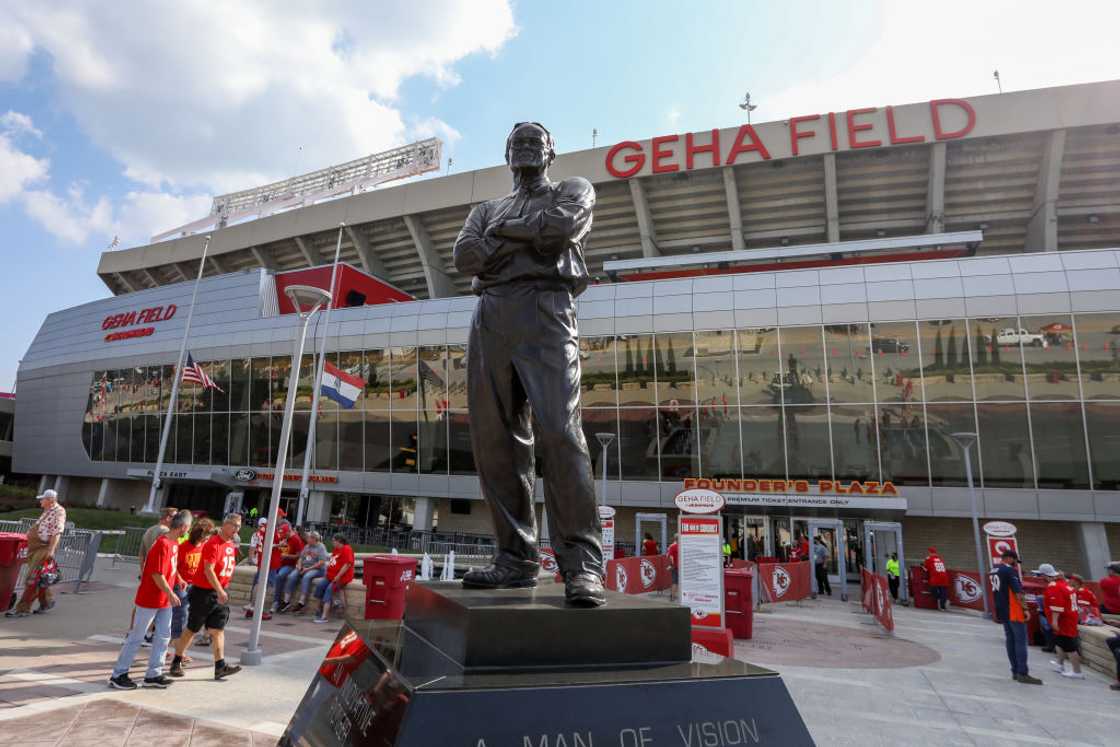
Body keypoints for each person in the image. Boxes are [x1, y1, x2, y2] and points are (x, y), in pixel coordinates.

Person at [452, 122, 605, 608]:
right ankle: (515, 559)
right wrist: (527, 239)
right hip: (492, 315)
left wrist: (504, 238)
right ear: (506, 153)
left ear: (551, 151)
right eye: (518, 142)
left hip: (547, 310)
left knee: (561, 432)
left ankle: (581, 565)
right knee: (495, 442)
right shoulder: (486, 209)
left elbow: (560, 229)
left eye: (535, 141)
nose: (526, 147)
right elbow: (464, 257)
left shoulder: (572, 190)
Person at [108, 509, 191, 690]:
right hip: (150, 598)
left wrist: (179, 579)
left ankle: (154, 674)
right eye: (188, 528)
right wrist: (170, 592)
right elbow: (156, 573)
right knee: (137, 636)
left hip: (164, 600)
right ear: (183, 527)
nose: (188, 531)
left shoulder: (174, 544)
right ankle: (118, 674)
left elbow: (171, 567)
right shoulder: (162, 544)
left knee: (163, 636)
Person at [169, 513, 243, 680]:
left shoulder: (230, 545)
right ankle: (177, 660)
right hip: (204, 592)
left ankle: (220, 666)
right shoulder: (213, 543)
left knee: (217, 630)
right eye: (233, 525)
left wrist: (223, 589)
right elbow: (208, 569)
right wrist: (219, 590)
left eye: (239, 526)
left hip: (219, 593)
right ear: (225, 525)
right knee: (192, 629)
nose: (236, 529)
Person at [7, 489, 66, 617]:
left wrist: (50, 550)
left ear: (50, 500)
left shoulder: (59, 512)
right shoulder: (48, 511)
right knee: (41, 578)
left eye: (43, 499)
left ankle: (23, 609)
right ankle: (47, 601)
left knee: (32, 578)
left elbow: (57, 532)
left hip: (44, 549)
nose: (40, 501)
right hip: (36, 549)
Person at [990, 549, 1042, 685]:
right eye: (1014, 561)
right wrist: (1025, 609)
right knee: (1020, 641)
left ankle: (1014, 671)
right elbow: (1018, 592)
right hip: (1013, 609)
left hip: (1002, 609)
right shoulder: (1009, 571)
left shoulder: (994, 570)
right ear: (1009, 558)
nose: (1015, 565)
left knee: (1010, 640)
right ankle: (1022, 673)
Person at [1037, 564, 1085, 679]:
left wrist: (1054, 621)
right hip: (1069, 618)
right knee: (1060, 643)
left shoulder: (1054, 587)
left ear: (1044, 575)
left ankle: (1077, 671)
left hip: (1064, 620)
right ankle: (1060, 665)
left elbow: (1057, 606)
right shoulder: (1064, 584)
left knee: (1069, 646)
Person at [171, 518, 213, 643]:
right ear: (199, 534)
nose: (207, 538)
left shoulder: (205, 547)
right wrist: (179, 579)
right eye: (206, 535)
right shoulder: (183, 547)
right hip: (180, 585)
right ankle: (176, 643)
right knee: (181, 615)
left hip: (195, 585)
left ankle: (179, 646)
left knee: (190, 617)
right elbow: (173, 566)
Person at [280, 530, 329, 613]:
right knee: (291, 576)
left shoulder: (321, 547)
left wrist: (307, 569)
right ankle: (286, 601)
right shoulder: (307, 546)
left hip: (317, 569)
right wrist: (299, 566)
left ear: (314, 539)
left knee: (306, 577)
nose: (307, 539)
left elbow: (321, 563)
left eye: (309, 538)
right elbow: (301, 558)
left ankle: (301, 602)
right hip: (304, 567)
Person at [313, 534, 354, 624]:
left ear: (339, 541)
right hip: (330, 576)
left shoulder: (347, 549)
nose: (332, 542)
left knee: (328, 590)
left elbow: (348, 564)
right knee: (319, 586)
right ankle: (318, 610)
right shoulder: (336, 549)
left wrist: (338, 576)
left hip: (341, 578)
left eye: (333, 540)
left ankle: (324, 617)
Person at [272, 525, 304, 612]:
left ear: (288, 532)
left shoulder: (296, 540)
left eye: (283, 533)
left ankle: (276, 602)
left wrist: (287, 556)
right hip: (280, 563)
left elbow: (299, 556)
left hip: (290, 565)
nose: (282, 535)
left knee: (280, 576)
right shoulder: (283, 538)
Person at [924, 546, 950, 610]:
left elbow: (926, 569)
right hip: (944, 577)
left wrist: (922, 566)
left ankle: (940, 600)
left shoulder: (929, 558)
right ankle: (943, 605)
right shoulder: (940, 558)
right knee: (943, 592)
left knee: (933, 591)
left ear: (930, 552)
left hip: (935, 577)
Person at [667, 534, 679, 602]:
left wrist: (671, 565)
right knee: (677, 582)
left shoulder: (672, 546)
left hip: (675, 567)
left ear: (675, 539)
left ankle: (672, 597)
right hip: (681, 567)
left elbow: (670, 557)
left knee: (674, 582)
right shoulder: (682, 546)